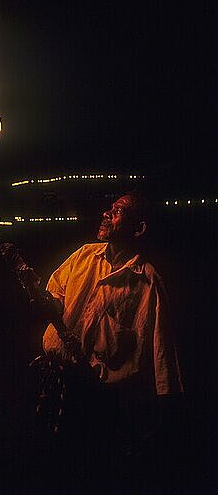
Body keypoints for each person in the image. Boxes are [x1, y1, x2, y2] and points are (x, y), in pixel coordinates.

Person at [37, 191, 183, 489]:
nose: (106, 214)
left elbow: (161, 347)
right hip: (58, 383)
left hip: (99, 400)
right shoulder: (84, 255)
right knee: (50, 465)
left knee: (90, 471)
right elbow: (56, 292)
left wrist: (165, 411)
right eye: (110, 209)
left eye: (117, 212)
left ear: (138, 229)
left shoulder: (147, 281)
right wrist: (44, 298)